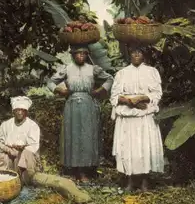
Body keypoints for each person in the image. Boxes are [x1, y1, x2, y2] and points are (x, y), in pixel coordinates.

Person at [47, 45, 114, 183]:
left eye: (83, 54)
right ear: (73, 55)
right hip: (71, 105)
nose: (80, 56)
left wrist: (99, 91)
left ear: (87, 55)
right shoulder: (67, 68)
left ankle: (84, 172)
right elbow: (50, 82)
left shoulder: (92, 68)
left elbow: (110, 79)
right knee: (72, 135)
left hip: (88, 105)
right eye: (77, 54)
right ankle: (71, 171)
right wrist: (59, 91)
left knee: (86, 136)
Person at [109, 46, 164, 192]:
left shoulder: (152, 72)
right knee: (128, 148)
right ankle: (129, 180)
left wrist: (142, 98)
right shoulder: (122, 73)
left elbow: (157, 94)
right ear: (129, 55)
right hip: (127, 115)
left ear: (144, 55)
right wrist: (129, 102)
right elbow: (115, 96)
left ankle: (145, 181)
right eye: (134, 52)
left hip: (144, 115)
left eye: (140, 52)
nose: (137, 54)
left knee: (144, 147)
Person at [0, 96, 40, 185]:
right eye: (17, 110)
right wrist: (8, 149)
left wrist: (21, 149)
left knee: (24, 158)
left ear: (26, 112)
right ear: (13, 112)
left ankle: (21, 181)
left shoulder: (32, 126)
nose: (20, 112)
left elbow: (34, 146)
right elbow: (0, 143)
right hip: (8, 154)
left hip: (24, 154)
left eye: (22, 110)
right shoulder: (6, 124)